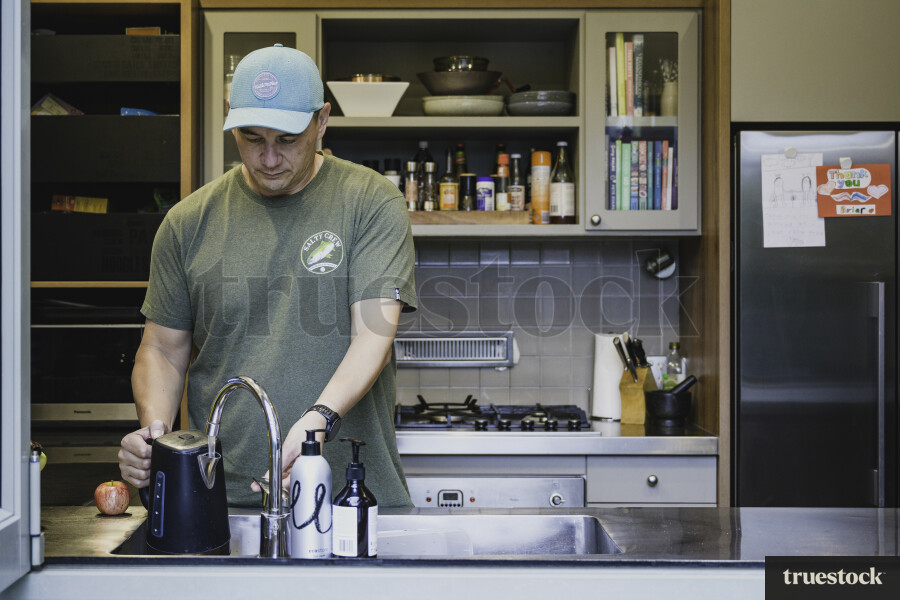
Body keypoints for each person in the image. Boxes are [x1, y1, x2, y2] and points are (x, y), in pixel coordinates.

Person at [118, 44, 417, 507]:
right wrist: (156, 436)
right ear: (230, 118)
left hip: (348, 497)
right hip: (219, 498)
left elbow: (374, 333)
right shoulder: (187, 222)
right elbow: (161, 349)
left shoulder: (370, 202)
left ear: (322, 120)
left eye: (287, 139)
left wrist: (316, 421)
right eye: (253, 138)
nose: (270, 158)